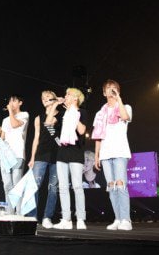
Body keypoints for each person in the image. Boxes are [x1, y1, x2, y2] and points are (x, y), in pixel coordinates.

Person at [93, 79, 133, 231]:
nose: (111, 89)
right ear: (104, 93)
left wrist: (119, 99)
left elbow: (125, 117)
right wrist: (96, 155)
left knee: (121, 185)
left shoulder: (125, 107)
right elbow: (98, 136)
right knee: (111, 187)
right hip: (105, 153)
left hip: (120, 151)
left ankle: (126, 219)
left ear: (118, 91)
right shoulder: (100, 113)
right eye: (108, 88)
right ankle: (117, 218)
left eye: (114, 87)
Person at [48, 88, 88, 230]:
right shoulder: (63, 113)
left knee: (77, 186)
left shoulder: (81, 112)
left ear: (76, 98)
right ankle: (66, 219)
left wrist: (73, 113)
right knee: (63, 187)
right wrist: (55, 105)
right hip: (62, 153)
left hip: (76, 152)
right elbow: (48, 123)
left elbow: (82, 131)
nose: (65, 96)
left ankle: (81, 219)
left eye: (68, 94)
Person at [27, 90, 60, 227]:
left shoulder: (61, 115)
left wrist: (56, 105)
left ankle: (47, 217)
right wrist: (32, 157)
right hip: (41, 154)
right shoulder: (38, 118)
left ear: (54, 99)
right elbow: (36, 138)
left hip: (57, 154)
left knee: (53, 187)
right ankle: (32, 216)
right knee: (34, 185)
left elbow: (50, 123)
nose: (45, 99)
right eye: (43, 98)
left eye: (48, 97)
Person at [0, 94, 30, 214]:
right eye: (10, 101)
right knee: (7, 185)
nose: (11, 103)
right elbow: (3, 137)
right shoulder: (5, 120)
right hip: (5, 155)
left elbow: (14, 124)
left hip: (17, 154)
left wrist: (10, 112)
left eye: (14, 101)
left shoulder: (24, 115)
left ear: (20, 103)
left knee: (17, 184)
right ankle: (10, 213)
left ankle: (19, 213)